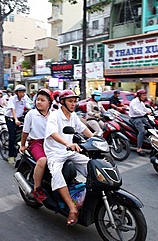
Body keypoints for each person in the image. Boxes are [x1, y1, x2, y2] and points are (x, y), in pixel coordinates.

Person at [44, 89, 93, 225]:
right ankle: (72, 208)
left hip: (68, 151)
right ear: (62, 103)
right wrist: (67, 143)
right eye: (70, 101)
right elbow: (53, 133)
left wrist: (96, 139)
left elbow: (83, 129)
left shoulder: (73, 116)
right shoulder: (54, 116)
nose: (73, 104)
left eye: (74, 101)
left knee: (90, 165)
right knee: (57, 174)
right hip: (55, 152)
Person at [20, 89, 53, 202]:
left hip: (50, 143)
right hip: (36, 143)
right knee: (42, 160)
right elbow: (25, 131)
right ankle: (37, 188)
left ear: (49, 102)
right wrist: (23, 145)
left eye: (42, 100)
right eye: (38, 100)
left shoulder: (53, 115)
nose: (39, 102)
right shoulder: (31, 114)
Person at [5, 85, 31, 163]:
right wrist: (16, 120)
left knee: (26, 133)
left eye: (23, 92)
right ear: (16, 92)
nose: (22, 94)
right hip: (10, 118)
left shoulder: (24, 99)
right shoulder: (12, 99)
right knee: (12, 137)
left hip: (19, 117)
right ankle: (11, 156)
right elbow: (12, 110)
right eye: (20, 92)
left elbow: (29, 107)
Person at [128, 89, 152, 156]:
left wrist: (151, 111)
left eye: (145, 95)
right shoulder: (134, 102)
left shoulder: (141, 102)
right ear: (139, 95)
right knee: (142, 131)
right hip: (135, 118)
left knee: (151, 128)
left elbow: (145, 109)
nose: (145, 96)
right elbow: (136, 111)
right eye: (143, 95)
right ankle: (139, 148)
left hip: (142, 117)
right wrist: (145, 113)